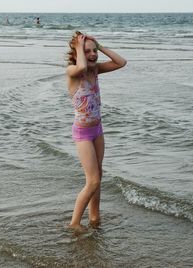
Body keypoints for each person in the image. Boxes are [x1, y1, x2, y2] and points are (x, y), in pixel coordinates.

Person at [66, 31, 126, 232]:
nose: (92, 54)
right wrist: (79, 47)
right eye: (87, 51)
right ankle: (74, 223)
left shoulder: (95, 70)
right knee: (92, 181)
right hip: (82, 134)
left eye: (94, 51)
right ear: (76, 53)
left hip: (97, 130)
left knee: (98, 175)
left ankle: (94, 216)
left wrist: (100, 46)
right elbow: (81, 65)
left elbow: (121, 62)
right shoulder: (73, 71)